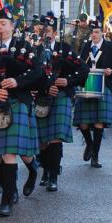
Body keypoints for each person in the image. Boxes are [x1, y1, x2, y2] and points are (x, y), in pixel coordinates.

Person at [0, 6, 43, 217]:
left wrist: (17, 81)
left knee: (10, 153)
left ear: (12, 26)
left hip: (17, 101)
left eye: (3, 24)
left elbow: (37, 71)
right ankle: (11, 184)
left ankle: (7, 199)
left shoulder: (24, 47)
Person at [35, 19, 89, 191]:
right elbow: (28, 75)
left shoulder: (64, 49)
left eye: (49, 30)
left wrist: (68, 81)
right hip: (42, 98)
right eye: (43, 30)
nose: (46, 33)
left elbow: (83, 70)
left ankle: (53, 175)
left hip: (61, 96)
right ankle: (45, 169)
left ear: (55, 33)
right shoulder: (34, 51)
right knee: (42, 140)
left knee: (55, 137)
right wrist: (41, 88)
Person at [74, 20, 112, 168]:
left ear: (103, 32)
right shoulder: (86, 46)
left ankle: (95, 156)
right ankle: (89, 144)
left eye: (96, 32)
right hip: (87, 86)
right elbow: (80, 65)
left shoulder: (111, 47)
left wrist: (110, 72)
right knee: (82, 123)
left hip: (104, 86)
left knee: (98, 123)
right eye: (92, 32)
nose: (93, 35)